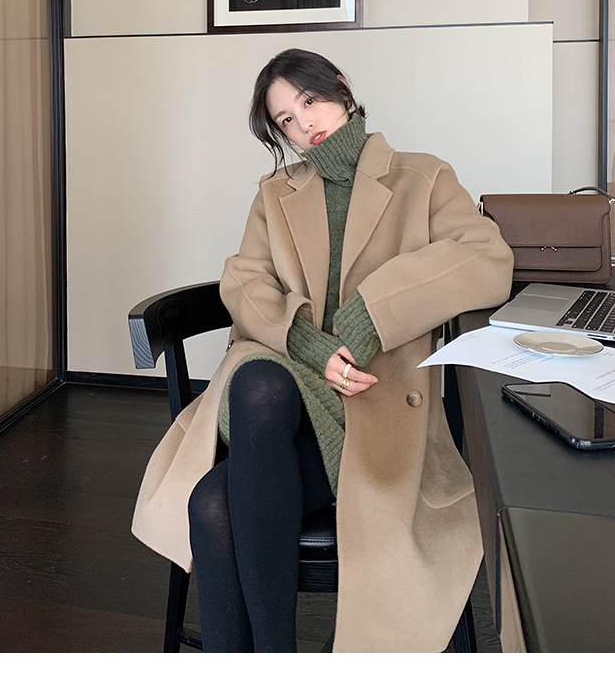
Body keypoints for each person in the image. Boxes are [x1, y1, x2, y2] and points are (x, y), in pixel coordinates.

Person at [132, 48, 513, 653]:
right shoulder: (275, 194)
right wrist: (308, 343)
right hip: (284, 394)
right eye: (286, 118)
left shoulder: (422, 177)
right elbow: (244, 281)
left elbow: (486, 259)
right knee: (258, 383)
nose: (304, 123)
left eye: (309, 101)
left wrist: (369, 319)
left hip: (378, 402)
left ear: (339, 86)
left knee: (211, 503)